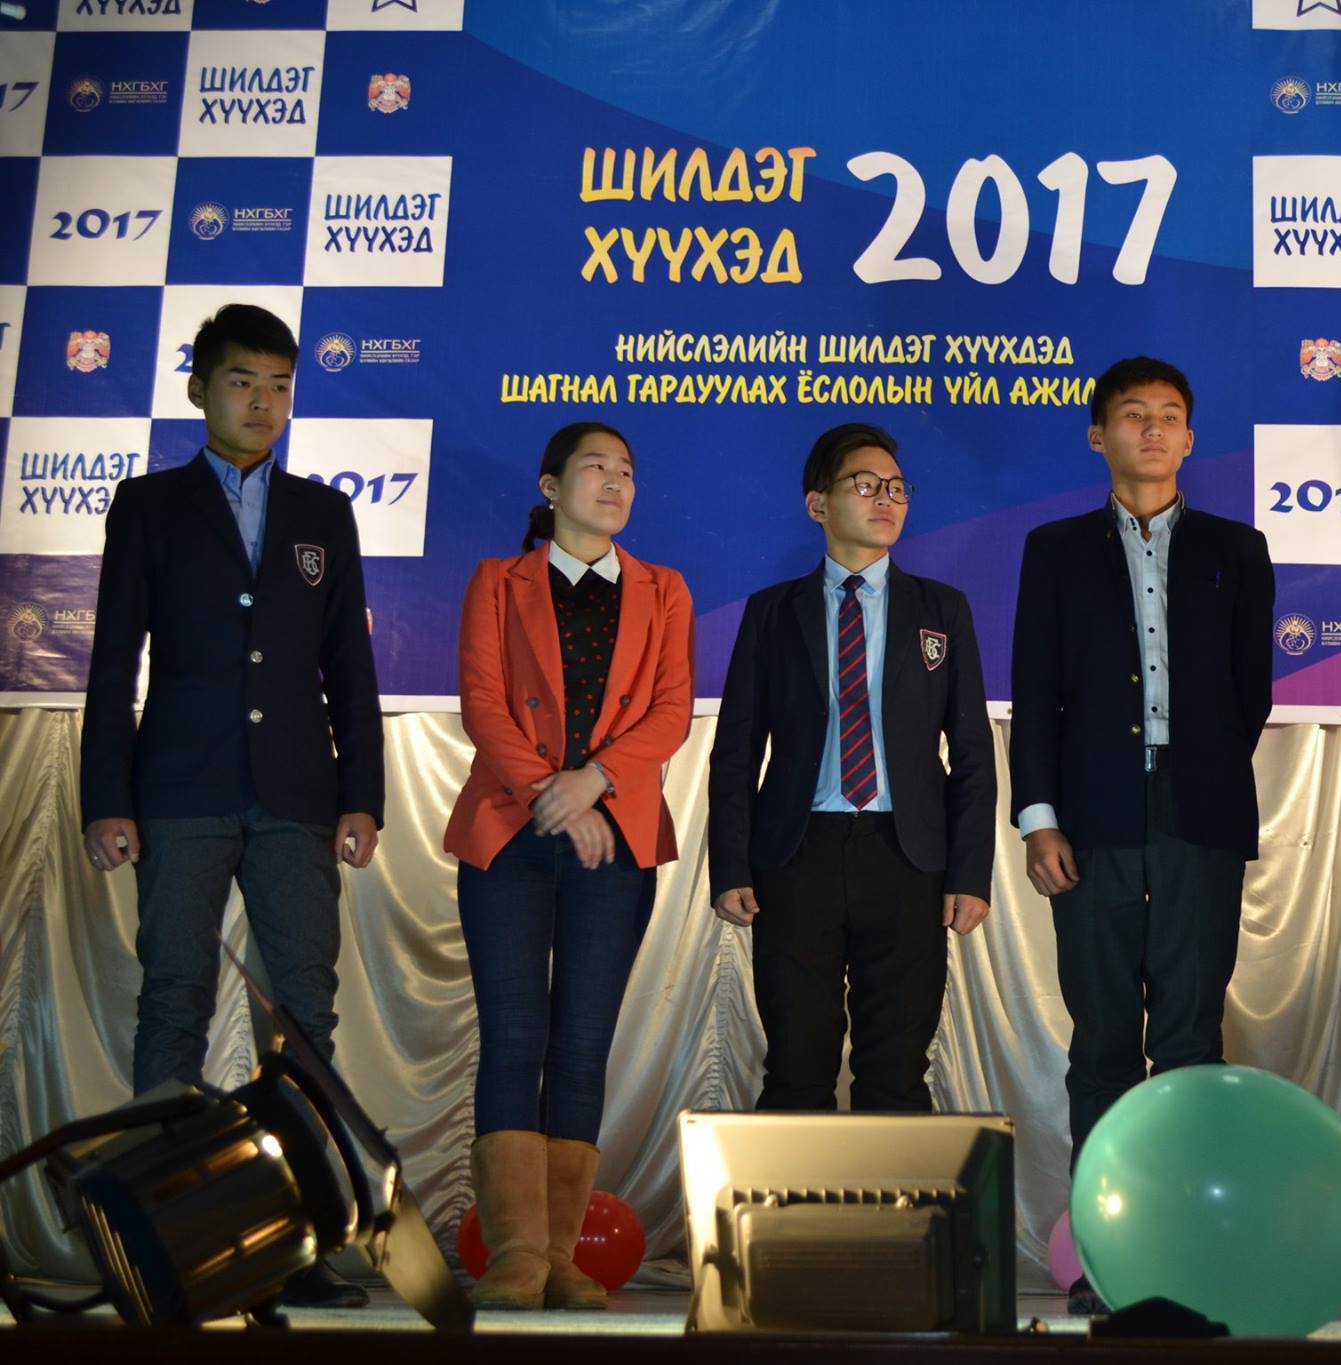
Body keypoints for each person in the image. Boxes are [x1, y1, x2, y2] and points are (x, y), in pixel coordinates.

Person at [79, 303, 382, 1309]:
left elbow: (349, 666)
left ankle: (310, 1238)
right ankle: (161, 1239)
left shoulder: (323, 512)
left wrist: (363, 794)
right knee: (174, 999)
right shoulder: (148, 505)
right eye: (243, 381)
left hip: (297, 793)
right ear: (199, 388)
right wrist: (105, 797)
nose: (263, 402)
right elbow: (113, 661)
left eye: (280, 385)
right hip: (178, 789)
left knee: (302, 1014)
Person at [1009, 356, 1273, 1312]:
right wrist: (1041, 817)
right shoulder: (1055, 549)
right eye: (1133, 415)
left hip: (1200, 815)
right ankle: (1110, 1252)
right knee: (1104, 1041)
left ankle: (1189, 1252)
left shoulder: (1238, 549)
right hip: (1091, 819)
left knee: (1194, 1039)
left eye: (1169, 416)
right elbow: (1036, 690)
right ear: (1099, 435)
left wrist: (1195, 772)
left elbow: (1249, 694)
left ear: (1190, 438)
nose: (1152, 430)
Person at [443, 421, 695, 1311]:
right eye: (596, 467)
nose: (615, 481)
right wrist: (550, 793)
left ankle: (559, 1254)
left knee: (583, 1045)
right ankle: (514, 1253)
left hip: (615, 835)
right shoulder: (497, 580)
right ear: (551, 487)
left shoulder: (664, 589)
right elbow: (482, 702)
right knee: (514, 1036)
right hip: (510, 832)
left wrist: (592, 785)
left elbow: (670, 711)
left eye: (626, 470)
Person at [708, 422, 995, 1113]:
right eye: (865, 485)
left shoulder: (942, 609)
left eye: (896, 487)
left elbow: (972, 752)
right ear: (818, 504)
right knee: (796, 1068)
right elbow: (737, 750)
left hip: (907, 857)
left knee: (897, 1073)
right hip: (797, 855)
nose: (885, 499)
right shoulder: (772, 613)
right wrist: (731, 866)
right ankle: (795, 1191)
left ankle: (893, 1192)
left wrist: (968, 873)